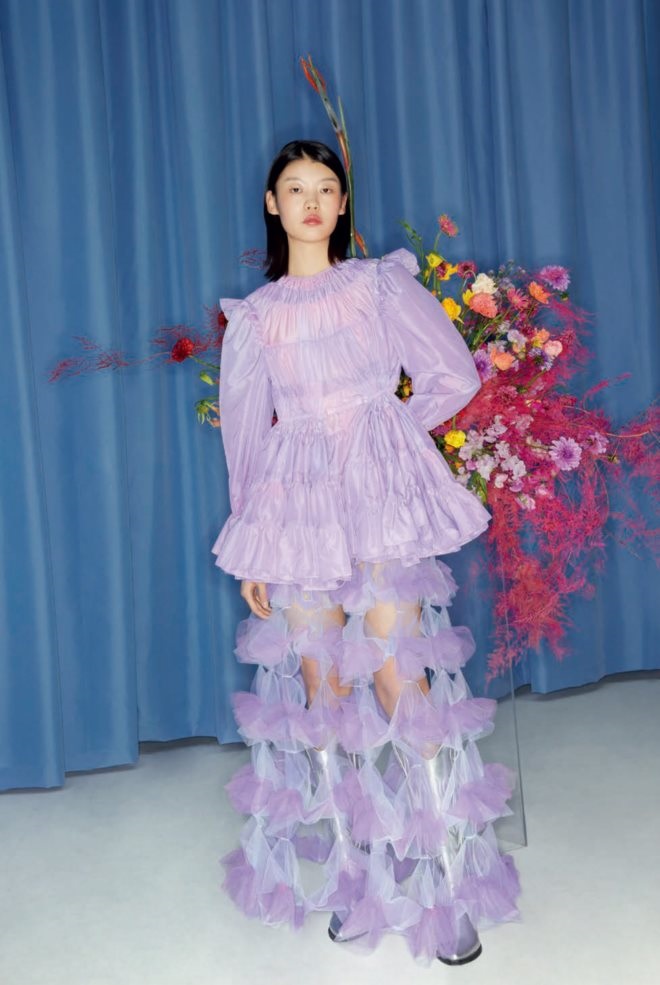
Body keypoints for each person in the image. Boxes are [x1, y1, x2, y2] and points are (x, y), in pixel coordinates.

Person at [211, 139, 520, 966]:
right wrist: (253, 550)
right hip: (298, 512)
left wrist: (388, 434)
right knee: (324, 691)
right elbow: (246, 443)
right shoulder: (255, 320)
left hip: (380, 503)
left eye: (326, 187)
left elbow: (451, 375)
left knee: (398, 674)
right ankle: (358, 881)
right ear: (273, 205)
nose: (312, 201)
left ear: (342, 203)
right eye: (295, 188)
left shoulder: (380, 285)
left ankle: (444, 883)